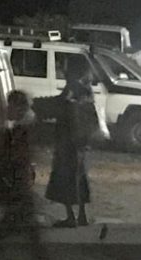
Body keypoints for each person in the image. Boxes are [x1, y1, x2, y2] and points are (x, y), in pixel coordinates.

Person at [0, 90, 46, 260]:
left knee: (16, 222)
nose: (7, 109)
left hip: (19, 181)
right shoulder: (25, 126)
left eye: (10, 106)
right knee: (26, 226)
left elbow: (18, 155)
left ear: (18, 108)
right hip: (21, 182)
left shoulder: (22, 130)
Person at [46, 68, 101, 227]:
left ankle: (70, 217)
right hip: (81, 143)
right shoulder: (87, 93)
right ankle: (82, 216)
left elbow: (61, 107)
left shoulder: (71, 89)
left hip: (67, 142)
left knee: (65, 179)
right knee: (79, 177)